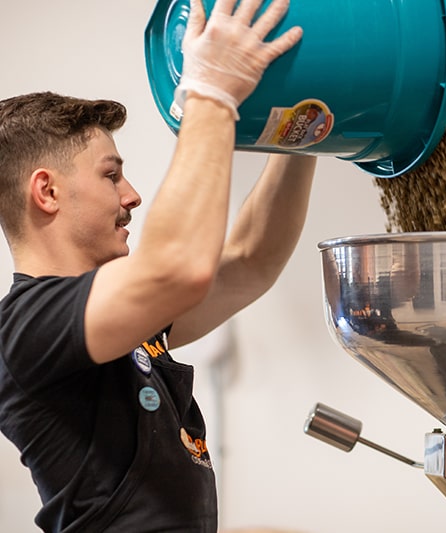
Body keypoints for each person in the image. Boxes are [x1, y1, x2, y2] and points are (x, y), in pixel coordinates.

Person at [0, 0, 316, 531]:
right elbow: (178, 268)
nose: (132, 195)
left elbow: (250, 260)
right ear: (47, 191)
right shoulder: (25, 328)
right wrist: (211, 94)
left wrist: (304, 131)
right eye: (110, 175)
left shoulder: (120, 316)